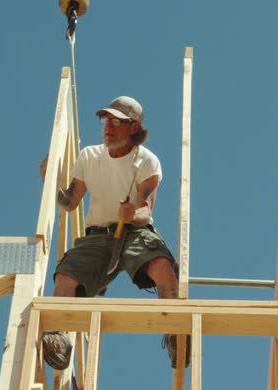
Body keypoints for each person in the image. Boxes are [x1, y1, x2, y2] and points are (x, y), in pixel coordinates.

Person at [40, 96, 189, 369]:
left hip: (133, 231)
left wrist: (133, 214)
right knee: (65, 275)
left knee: (162, 266)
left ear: (133, 127)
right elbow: (70, 202)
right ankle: (59, 337)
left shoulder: (146, 161)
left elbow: (147, 212)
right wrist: (51, 183)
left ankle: (175, 331)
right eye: (105, 120)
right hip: (97, 236)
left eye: (116, 122)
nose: (108, 127)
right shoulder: (89, 156)